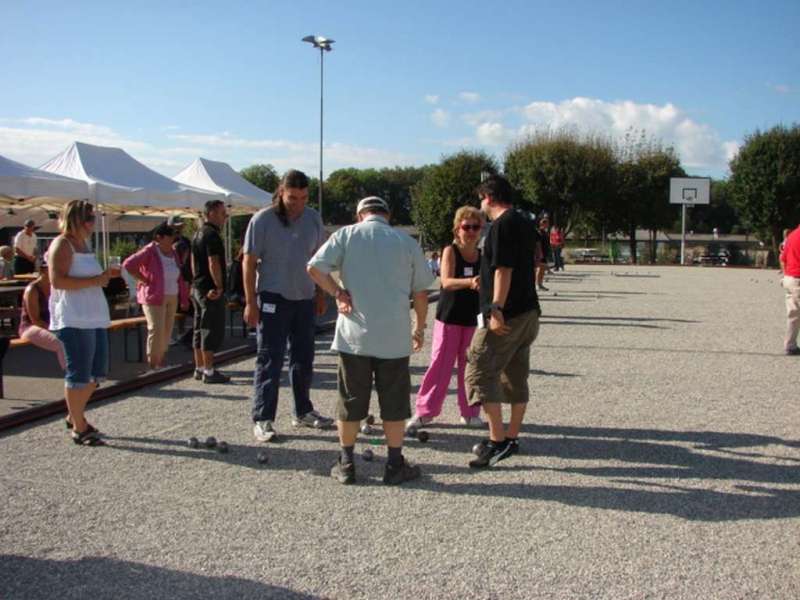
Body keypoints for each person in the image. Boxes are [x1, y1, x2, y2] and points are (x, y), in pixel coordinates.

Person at [308, 195, 434, 485]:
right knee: (394, 404)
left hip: (355, 335)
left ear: (359, 215)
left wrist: (338, 292)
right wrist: (419, 328)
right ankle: (393, 464)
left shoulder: (347, 235)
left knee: (350, 401)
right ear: (387, 215)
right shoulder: (406, 242)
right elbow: (421, 293)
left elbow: (314, 268)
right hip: (393, 337)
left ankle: (347, 462)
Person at [243, 169, 333, 442]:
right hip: (272, 298)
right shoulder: (262, 220)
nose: (298, 204)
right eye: (292, 198)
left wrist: (321, 294)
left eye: (304, 197)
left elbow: (319, 260)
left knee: (304, 359)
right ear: (281, 193)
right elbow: (248, 262)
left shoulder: (313, 218)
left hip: (304, 299)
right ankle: (263, 418)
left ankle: (302, 411)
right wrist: (250, 302)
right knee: (270, 358)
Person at [465, 174, 540, 468]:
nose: (480, 204)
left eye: (481, 198)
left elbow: (503, 269)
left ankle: (497, 442)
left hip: (507, 314)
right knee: (515, 374)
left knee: (480, 369)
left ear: (488, 197)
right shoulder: (524, 222)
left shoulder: (501, 225)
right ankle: (511, 438)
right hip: (529, 312)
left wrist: (496, 307)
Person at [408, 206, 484, 430]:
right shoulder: (450, 251)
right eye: (466, 226)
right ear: (457, 229)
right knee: (440, 365)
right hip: (449, 317)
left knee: (471, 367)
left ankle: (470, 412)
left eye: (475, 227)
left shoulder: (483, 255)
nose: (471, 231)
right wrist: (470, 283)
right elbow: (446, 282)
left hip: (474, 318)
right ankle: (424, 411)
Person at [48, 200, 115, 446]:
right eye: (88, 218)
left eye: (92, 218)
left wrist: (103, 279)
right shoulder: (62, 244)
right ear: (75, 218)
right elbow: (57, 281)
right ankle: (79, 426)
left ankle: (73, 415)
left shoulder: (84, 244)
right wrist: (95, 280)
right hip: (74, 317)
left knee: (98, 373)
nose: (92, 223)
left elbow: (89, 279)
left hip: (94, 315)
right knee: (79, 375)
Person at [123, 223, 189, 370]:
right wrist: (143, 279)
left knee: (166, 330)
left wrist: (184, 298)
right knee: (156, 329)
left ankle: (161, 361)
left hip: (172, 295)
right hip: (154, 296)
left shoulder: (173, 252)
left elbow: (179, 276)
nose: (173, 238)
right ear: (160, 237)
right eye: (170, 235)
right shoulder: (150, 250)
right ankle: (153, 364)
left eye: (174, 235)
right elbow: (128, 264)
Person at [191, 200, 230, 384]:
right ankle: (209, 370)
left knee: (199, 328)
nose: (226, 217)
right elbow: (213, 261)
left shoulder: (197, 233)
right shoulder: (212, 234)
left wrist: (196, 282)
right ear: (212, 213)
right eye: (223, 213)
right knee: (210, 328)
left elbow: (192, 262)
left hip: (198, 286)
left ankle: (199, 367)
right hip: (210, 290)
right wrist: (219, 286)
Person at [18, 260, 66, 369]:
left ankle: (85, 373)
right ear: (43, 270)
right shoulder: (32, 289)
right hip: (30, 328)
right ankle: (74, 375)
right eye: (53, 269)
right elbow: (35, 320)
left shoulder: (55, 287)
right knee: (61, 343)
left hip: (51, 326)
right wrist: (55, 330)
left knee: (76, 337)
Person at [779, 224, 800, 355]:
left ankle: (790, 345)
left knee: (793, 315)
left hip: (790, 279)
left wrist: (786, 274)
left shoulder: (792, 235)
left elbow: (783, 258)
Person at [536, 215, 551, 291]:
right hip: (541, 253)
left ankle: (540, 284)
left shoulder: (545, 232)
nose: (548, 225)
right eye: (547, 223)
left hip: (545, 253)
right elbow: (538, 244)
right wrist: (540, 253)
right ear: (543, 224)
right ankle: (538, 284)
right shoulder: (540, 232)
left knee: (543, 269)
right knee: (540, 269)